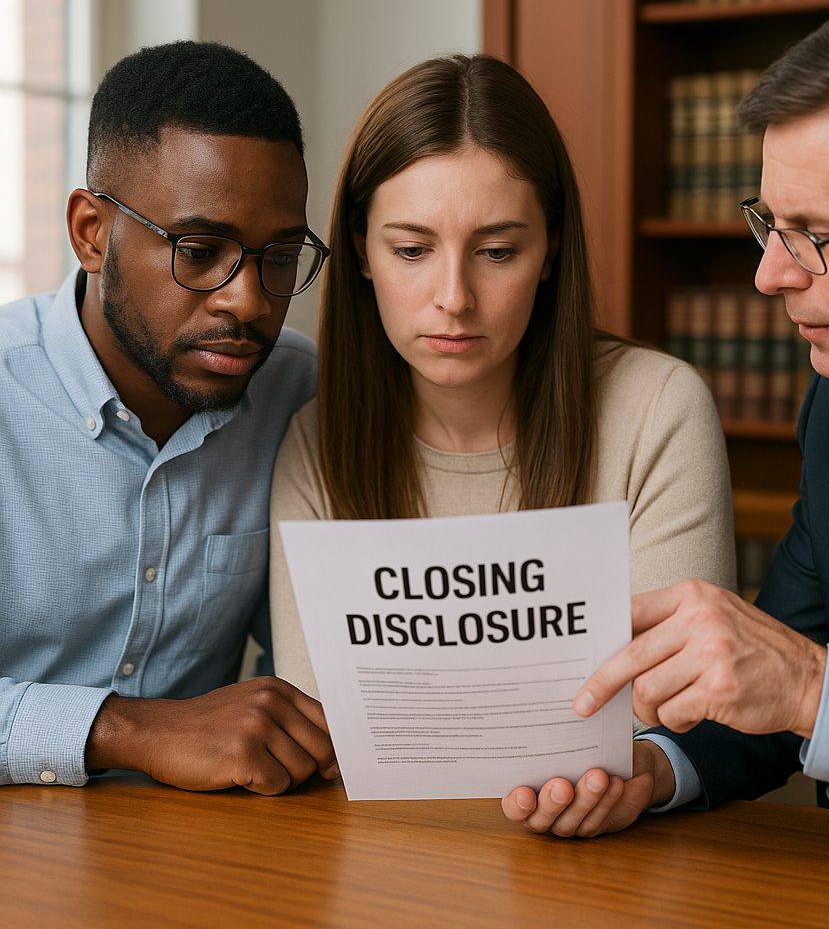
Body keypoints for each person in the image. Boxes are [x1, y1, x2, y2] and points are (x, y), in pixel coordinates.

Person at [518, 0, 829, 844]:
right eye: (769, 225)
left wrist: (814, 687)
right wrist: (651, 768)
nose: (771, 277)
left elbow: (809, 686)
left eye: (814, 234)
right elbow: (781, 666)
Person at [268, 53, 736, 830]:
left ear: (550, 249)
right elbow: (328, 736)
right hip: (387, 862)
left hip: (610, 867)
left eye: (497, 251)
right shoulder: (316, 442)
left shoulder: (656, 409)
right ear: (359, 251)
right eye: (411, 250)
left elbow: (670, 719)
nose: (453, 298)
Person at [0, 40, 339, 795]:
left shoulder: (297, 395)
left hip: (206, 857)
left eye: (279, 257)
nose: (247, 302)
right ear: (92, 233)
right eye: (199, 248)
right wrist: (128, 729)